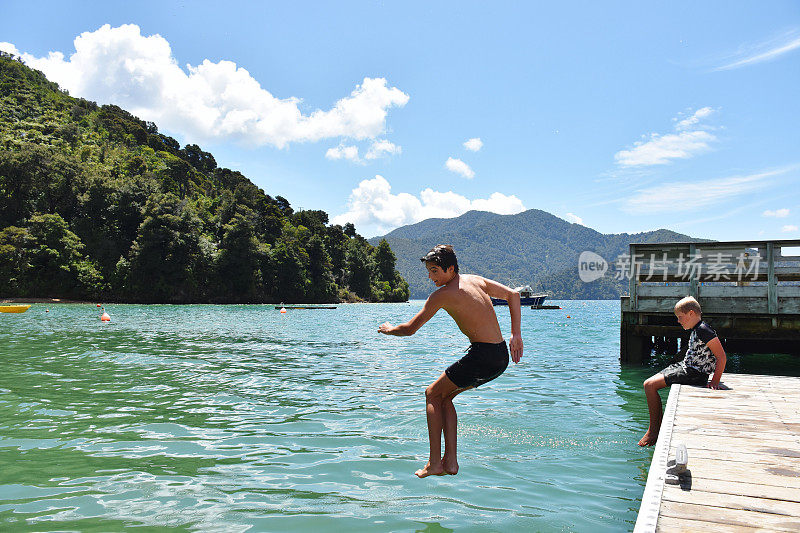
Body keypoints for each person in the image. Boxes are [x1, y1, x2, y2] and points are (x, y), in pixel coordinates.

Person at [378, 245, 523, 477]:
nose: (430, 277)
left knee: (432, 393)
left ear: (451, 269)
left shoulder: (442, 295)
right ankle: (451, 464)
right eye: (429, 271)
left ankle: (435, 463)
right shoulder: (475, 280)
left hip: (482, 356)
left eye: (435, 271)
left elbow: (409, 329)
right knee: (445, 396)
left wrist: (389, 329)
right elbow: (513, 295)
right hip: (500, 355)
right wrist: (516, 335)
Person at [638, 295, 727, 447]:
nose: (678, 321)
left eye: (680, 317)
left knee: (649, 385)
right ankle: (655, 427)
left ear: (691, 313)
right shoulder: (697, 328)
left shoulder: (704, 330)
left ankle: (653, 431)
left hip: (694, 373)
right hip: (686, 366)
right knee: (652, 381)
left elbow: (722, 357)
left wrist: (715, 381)